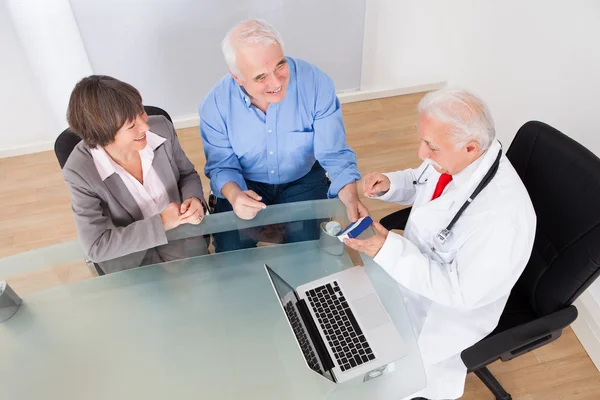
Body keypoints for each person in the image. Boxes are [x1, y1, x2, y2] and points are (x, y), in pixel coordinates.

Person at [345, 88, 536, 400]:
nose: (421, 153)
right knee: (347, 320)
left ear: (471, 147)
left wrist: (388, 250)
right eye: (422, 140)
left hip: (442, 314)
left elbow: (459, 294)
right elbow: (423, 179)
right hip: (411, 275)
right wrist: (394, 184)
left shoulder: (503, 222)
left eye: (431, 146)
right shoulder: (457, 158)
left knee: (375, 384)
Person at [200, 19, 367, 252]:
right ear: (237, 77)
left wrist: (350, 198)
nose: (277, 82)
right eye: (261, 77)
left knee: (308, 251)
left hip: (302, 178)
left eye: (280, 65)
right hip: (245, 183)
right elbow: (221, 166)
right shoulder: (214, 105)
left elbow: (334, 153)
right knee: (230, 253)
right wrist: (235, 195)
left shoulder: (316, 83)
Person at [63, 75, 208, 274]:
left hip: (181, 234)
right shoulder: (79, 172)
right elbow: (96, 246)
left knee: (206, 282)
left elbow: (187, 174)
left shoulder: (161, 128)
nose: (145, 127)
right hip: (130, 253)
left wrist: (194, 199)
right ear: (102, 135)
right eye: (131, 126)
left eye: (142, 113)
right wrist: (162, 223)